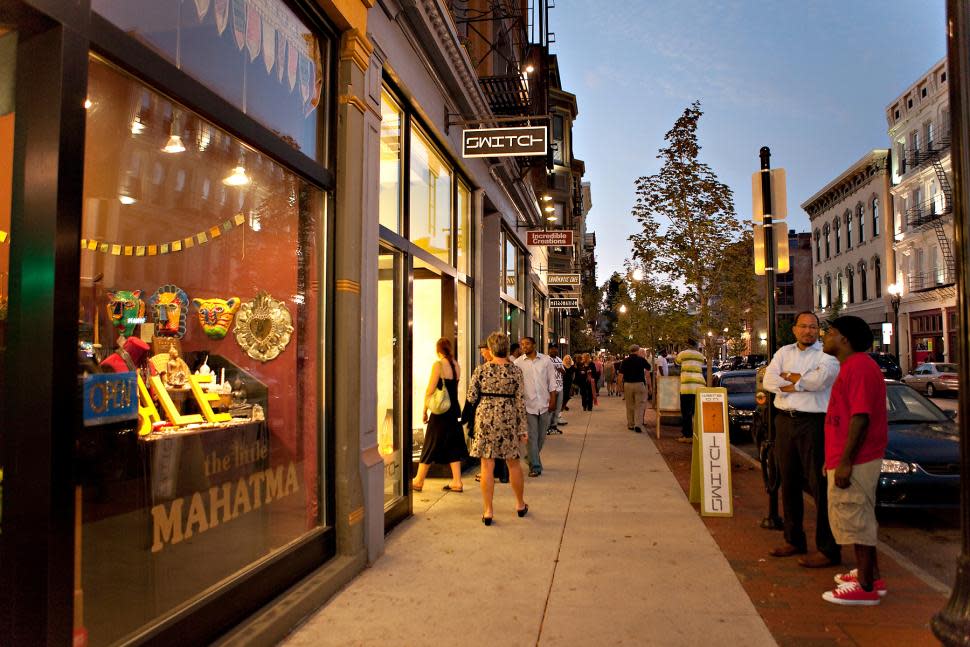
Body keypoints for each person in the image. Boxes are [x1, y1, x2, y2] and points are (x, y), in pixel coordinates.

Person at [762, 311, 841, 568]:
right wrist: (799, 381)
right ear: (794, 329)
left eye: (813, 327)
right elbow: (769, 381)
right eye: (803, 326)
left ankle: (827, 548)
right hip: (785, 421)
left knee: (820, 485)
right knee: (789, 480)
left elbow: (820, 381)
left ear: (818, 330)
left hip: (814, 423)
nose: (808, 331)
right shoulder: (783, 353)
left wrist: (792, 379)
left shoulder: (827, 355)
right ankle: (793, 539)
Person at [820, 316, 888, 605]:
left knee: (857, 518)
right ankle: (870, 573)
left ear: (844, 339)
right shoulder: (853, 367)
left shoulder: (858, 367)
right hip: (846, 456)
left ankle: (865, 586)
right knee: (859, 515)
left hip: (857, 459)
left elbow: (861, 417)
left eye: (830, 333)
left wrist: (846, 461)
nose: (826, 338)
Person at [466, 332, 530, 525]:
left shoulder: (481, 370)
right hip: (508, 419)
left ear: (491, 348)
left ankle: (488, 511)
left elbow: (470, 398)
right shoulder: (515, 371)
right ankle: (519, 504)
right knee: (513, 463)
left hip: (485, 419)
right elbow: (520, 401)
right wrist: (523, 429)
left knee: (487, 465)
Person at [412, 338, 467, 493]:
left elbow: (430, 390)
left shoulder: (438, 365)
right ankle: (457, 481)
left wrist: (424, 409)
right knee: (452, 444)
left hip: (441, 411)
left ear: (438, 350)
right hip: (454, 409)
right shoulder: (456, 365)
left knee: (431, 442)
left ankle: (418, 480)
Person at [514, 336, 558, 477]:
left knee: (541, 437)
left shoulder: (545, 360)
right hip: (528, 405)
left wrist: (553, 400)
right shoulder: (518, 363)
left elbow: (552, 381)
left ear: (534, 345)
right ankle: (535, 467)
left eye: (527, 344)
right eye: (522, 344)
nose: (524, 346)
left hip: (544, 404)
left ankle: (530, 458)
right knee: (532, 437)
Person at [467, 341, 508, 484]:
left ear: (491, 351)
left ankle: (492, 474)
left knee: (488, 448)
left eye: (483, 350)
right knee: (500, 445)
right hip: (505, 413)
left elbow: (471, 395)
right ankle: (500, 474)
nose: (482, 353)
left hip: (486, 413)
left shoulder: (482, 370)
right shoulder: (511, 368)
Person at [675, 343, 706, 443]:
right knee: (697, 412)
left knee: (686, 412)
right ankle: (699, 434)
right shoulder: (700, 355)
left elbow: (677, 363)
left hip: (687, 387)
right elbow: (703, 363)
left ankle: (687, 435)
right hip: (700, 386)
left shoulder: (683, 354)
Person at [617, 344, 650, 433]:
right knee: (639, 405)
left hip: (628, 384)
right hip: (639, 384)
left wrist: (620, 386)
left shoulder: (625, 361)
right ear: (638, 350)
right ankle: (638, 424)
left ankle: (631, 424)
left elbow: (620, 375)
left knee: (629, 405)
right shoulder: (641, 360)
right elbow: (649, 368)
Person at [546, 344, 566, 434]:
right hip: (550, 388)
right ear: (549, 350)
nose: (554, 351)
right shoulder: (546, 360)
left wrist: (562, 371)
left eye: (556, 349)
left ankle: (554, 426)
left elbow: (564, 371)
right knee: (550, 408)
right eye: (552, 349)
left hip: (560, 386)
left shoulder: (559, 359)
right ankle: (547, 427)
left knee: (557, 408)